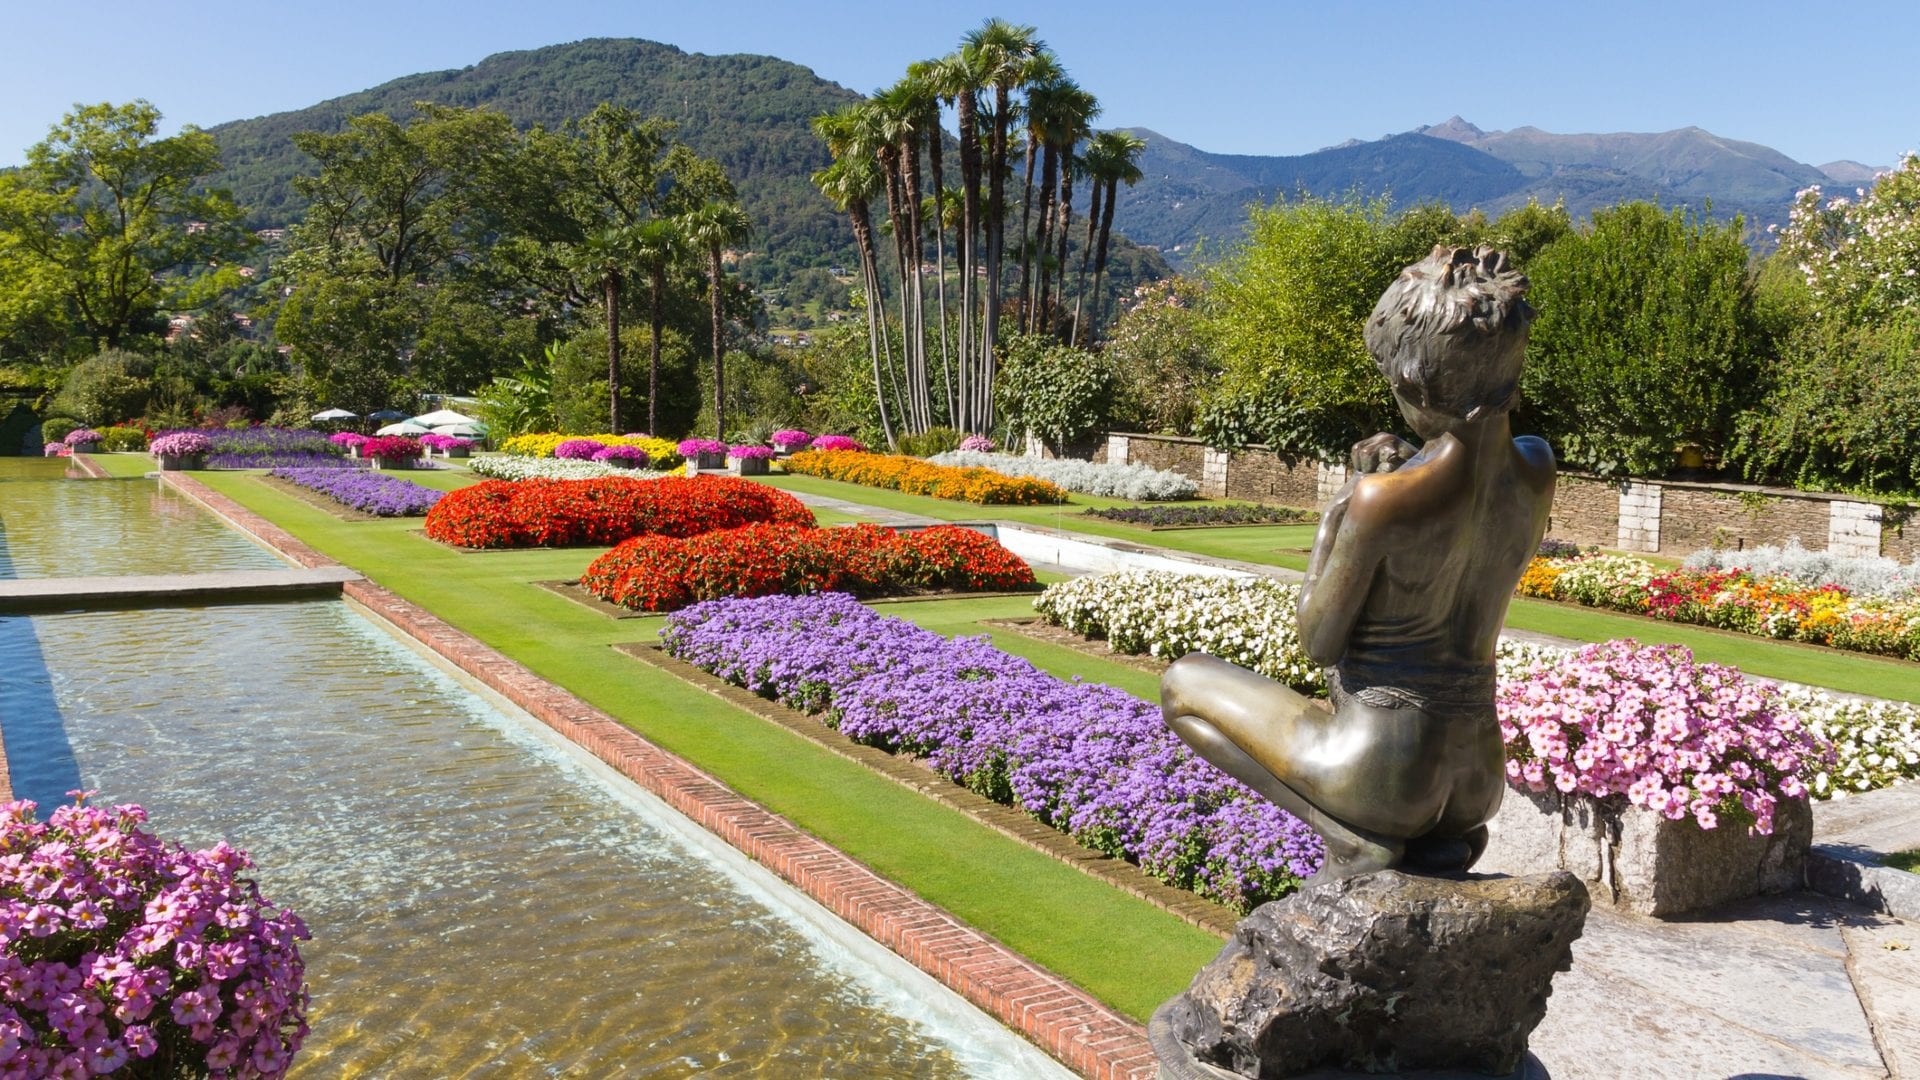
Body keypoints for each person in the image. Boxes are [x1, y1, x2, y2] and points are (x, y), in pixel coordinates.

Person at [1162, 245, 1555, 880]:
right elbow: (1464, 484)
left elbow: (1319, 641)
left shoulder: (1381, 500)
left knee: (1184, 683)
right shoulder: (1538, 467)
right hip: (1478, 779)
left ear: (1414, 384)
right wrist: (1409, 462)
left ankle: (1351, 836)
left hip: (1381, 774)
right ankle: (1441, 843)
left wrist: (1342, 509)